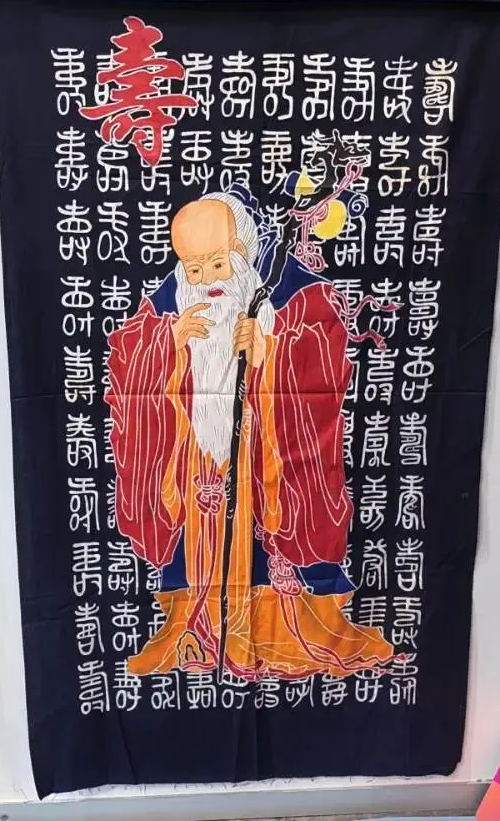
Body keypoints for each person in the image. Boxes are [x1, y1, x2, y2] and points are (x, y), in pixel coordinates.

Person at [105, 190, 394, 679]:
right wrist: (167, 344)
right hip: (197, 460)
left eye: (218, 265)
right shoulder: (173, 301)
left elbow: (323, 358)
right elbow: (128, 356)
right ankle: (198, 628)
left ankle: (273, 628)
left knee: (265, 545)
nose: (208, 282)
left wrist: (269, 349)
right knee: (198, 547)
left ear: (241, 252)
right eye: (194, 270)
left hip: (264, 458)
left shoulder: (286, 289)